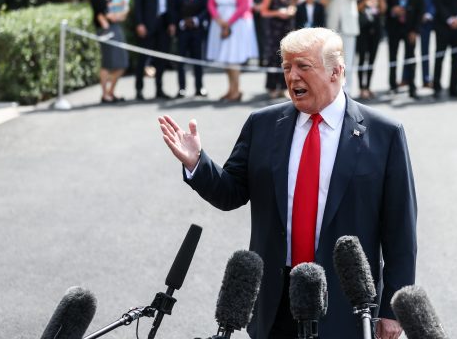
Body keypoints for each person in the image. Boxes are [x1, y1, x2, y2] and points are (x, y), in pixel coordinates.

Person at [158, 27, 417, 339]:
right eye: (286, 67)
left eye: (303, 67)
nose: (292, 77)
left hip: (346, 301)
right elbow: (231, 192)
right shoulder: (263, 125)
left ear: (336, 72)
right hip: (276, 300)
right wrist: (196, 162)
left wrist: (392, 309)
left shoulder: (384, 134)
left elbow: (400, 230)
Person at [206, 0, 258, 102]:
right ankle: (231, 89)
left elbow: (244, 6)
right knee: (226, 59)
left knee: (233, 57)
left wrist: (228, 23)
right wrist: (218, 19)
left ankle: (236, 90)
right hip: (220, 22)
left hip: (238, 24)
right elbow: (211, 3)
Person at [133, 0, 176, 100]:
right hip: (147, 23)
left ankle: (159, 88)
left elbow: (170, 2)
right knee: (143, 56)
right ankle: (139, 89)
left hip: (163, 22)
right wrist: (139, 23)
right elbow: (137, 2)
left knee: (161, 57)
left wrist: (171, 23)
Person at [320, 0, 364, 95]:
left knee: (348, 59)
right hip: (333, 25)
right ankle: (333, 89)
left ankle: (348, 90)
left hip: (349, 24)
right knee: (332, 59)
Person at [88, 0, 128, 103]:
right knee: (108, 62)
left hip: (115, 28)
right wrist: (112, 18)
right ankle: (105, 94)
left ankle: (111, 91)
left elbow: (121, 8)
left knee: (121, 63)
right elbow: (102, 16)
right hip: (106, 31)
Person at [385, 0, 424, 99]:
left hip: (410, 28)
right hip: (394, 27)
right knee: (393, 57)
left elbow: (420, 11)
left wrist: (415, 30)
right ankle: (392, 86)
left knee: (410, 58)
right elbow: (386, 6)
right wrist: (392, 10)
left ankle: (412, 87)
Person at [173, 0, 209, 98]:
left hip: (197, 29)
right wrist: (181, 21)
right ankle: (181, 88)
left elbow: (207, 8)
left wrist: (196, 20)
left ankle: (199, 87)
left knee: (197, 60)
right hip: (182, 29)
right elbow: (173, 7)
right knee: (181, 61)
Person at [260, 0, 296, 99]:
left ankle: (284, 86)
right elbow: (263, 11)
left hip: (286, 28)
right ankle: (272, 86)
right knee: (273, 57)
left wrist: (291, 10)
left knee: (287, 58)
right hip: (273, 29)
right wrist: (278, 13)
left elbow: (293, 7)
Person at [356, 0, 384, 99]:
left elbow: (383, 10)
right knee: (362, 58)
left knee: (372, 59)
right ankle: (361, 87)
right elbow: (357, 9)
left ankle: (368, 86)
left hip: (376, 29)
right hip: (363, 29)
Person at [412, 0, 439, 87]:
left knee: (425, 50)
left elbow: (436, 0)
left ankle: (426, 78)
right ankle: (407, 78)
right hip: (411, 21)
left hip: (427, 21)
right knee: (409, 51)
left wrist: (429, 14)